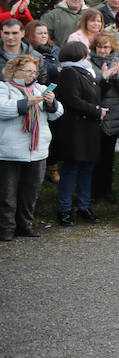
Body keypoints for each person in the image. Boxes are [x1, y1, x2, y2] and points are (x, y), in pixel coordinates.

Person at [0, 54, 62, 240]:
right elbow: (2, 108)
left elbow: (57, 113)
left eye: (34, 72)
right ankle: (6, 228)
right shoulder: (4, 87)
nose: (32, 75)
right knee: (7, 194)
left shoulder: (41, 88)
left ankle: (25, 225)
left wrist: (51, 103)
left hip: (37, 150)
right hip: (9, 151)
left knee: (31, 192)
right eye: (28, 71)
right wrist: (26, 103)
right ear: (15, 71)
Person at [52, 42, 102, 226]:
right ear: (78, 54)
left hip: (89, 128)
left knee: (87, 169)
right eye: (85, 53)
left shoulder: (86, 72)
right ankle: (64, 210)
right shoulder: (69, 72)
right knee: (71, 169)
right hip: (75, 128)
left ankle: (84, 206)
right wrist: (97, 111)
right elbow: (73, 100)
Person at [90, 32, 119, 204]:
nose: (103, 50)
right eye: (100, 47)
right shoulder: (89, 63)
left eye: (106, 47)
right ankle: (92, 191)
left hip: (114, 113)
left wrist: (116, 75)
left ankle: (107, 190)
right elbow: (90, 86)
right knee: (93, 156)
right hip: (95, 110)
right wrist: (104, 77)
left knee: (108, 156)